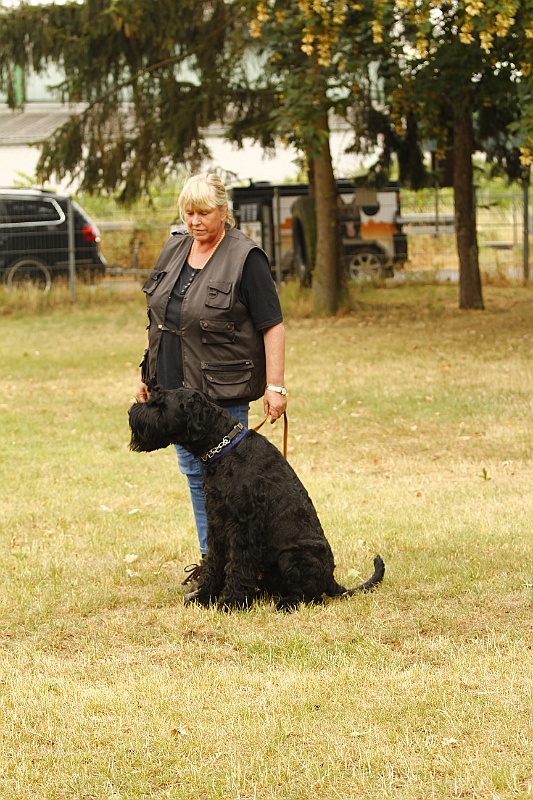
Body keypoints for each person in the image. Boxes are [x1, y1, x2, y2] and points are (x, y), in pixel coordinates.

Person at [135, 173, 287, 583]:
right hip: (173, 387)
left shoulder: (245, 257)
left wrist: (275, 386)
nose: (194, 221)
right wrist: (148, 370)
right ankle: (213, 564)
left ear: (223, 211)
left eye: (203, 213)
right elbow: (159, 316)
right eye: (188, 213)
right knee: (194, 473)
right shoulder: (175, 247)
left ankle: (237, 570)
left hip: (222, 391)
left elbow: (272, 325)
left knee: (230, 484)